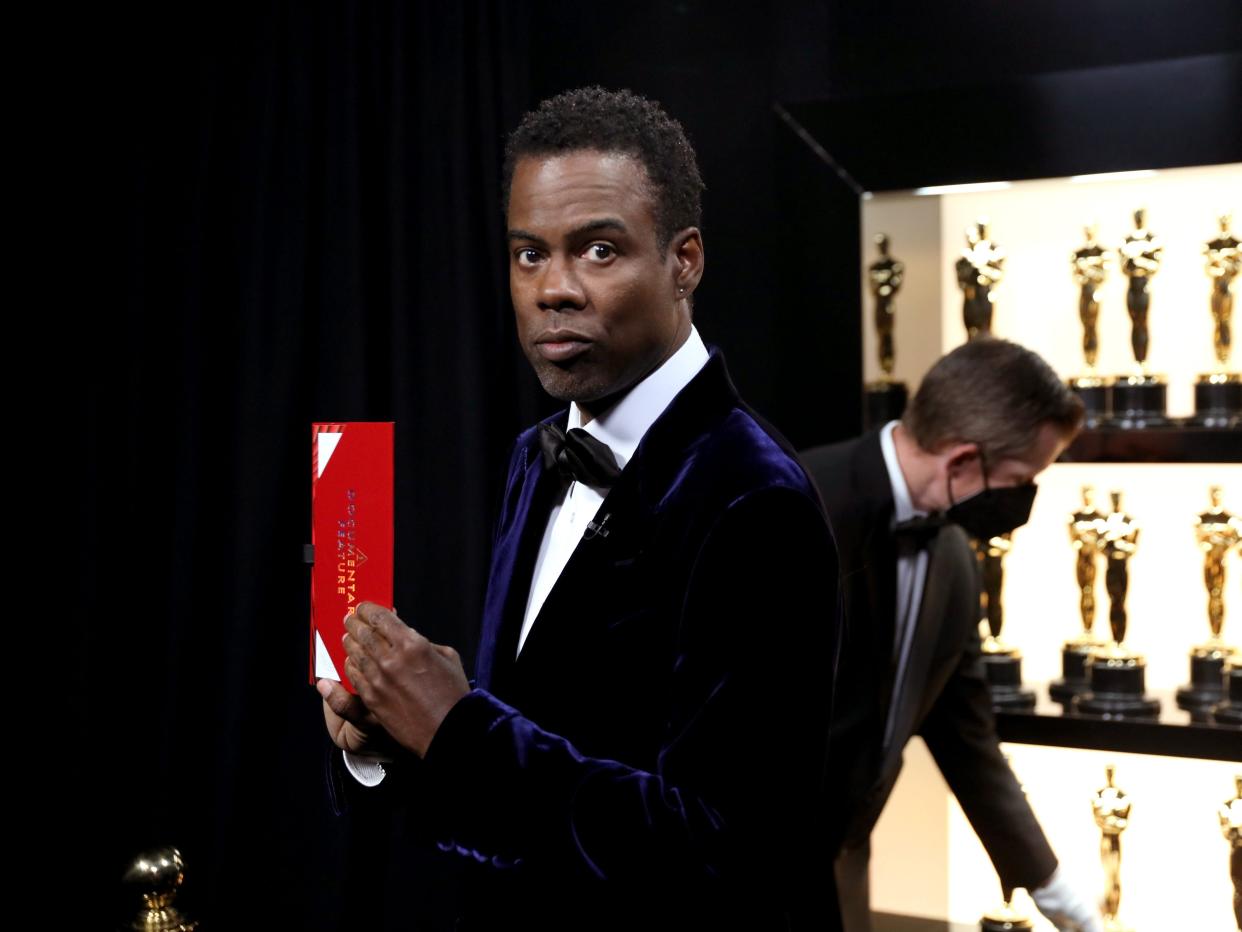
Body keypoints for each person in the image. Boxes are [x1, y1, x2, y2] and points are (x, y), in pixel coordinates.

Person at [316, 86, 842, 929]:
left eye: (598, 251)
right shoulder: (537, 454)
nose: (552, 289)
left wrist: (457, 730)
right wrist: (398, 743)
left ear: (686, 262)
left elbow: (728, 852)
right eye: (530, 255)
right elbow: (529, 775)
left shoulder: (756, 495)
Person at [802, 338, 1103, 932]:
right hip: (731, 880)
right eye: (1021, 480)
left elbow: (965, 730)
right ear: (963, 461)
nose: (1024, 501)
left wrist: (1054, 889)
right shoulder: (788, 501)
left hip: (844, 875)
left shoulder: (955, 559)